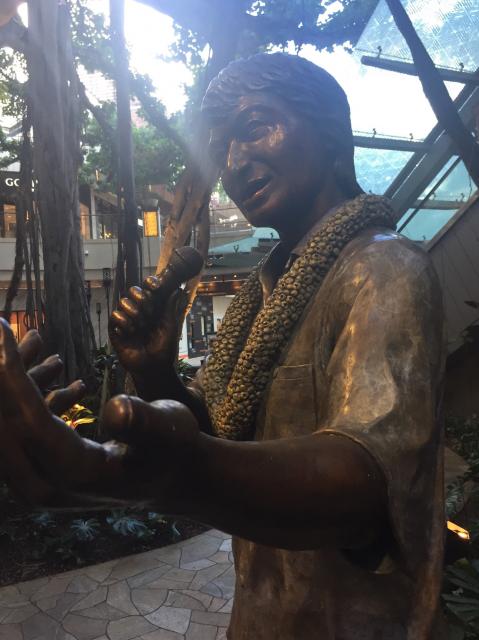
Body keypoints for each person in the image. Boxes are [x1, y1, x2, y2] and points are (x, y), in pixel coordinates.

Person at [0, 53, 446, 639]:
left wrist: (171, 474)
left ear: (331, 133)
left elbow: (367, 486)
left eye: (255, 127)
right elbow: (223, 435)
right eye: (222, 148)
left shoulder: (383, 268)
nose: (233, 163)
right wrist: (156, 373)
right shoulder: (265, 289)